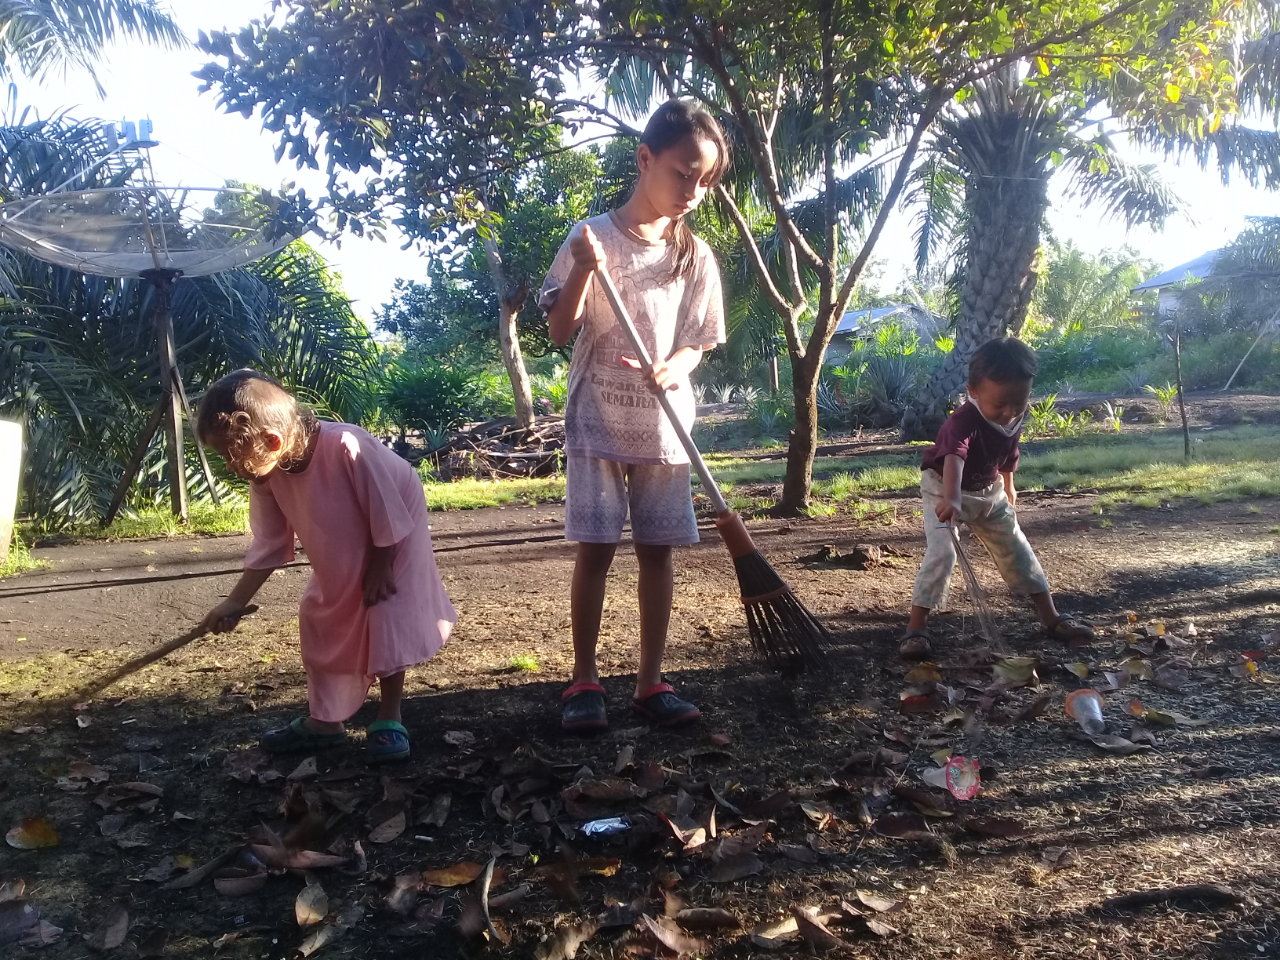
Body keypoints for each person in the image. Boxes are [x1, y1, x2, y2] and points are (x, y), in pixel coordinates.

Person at [540, 99, 729, 733]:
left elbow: (699, 337)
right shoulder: (588, 237)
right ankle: (584, 680)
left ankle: (651, 681)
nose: (694, 193)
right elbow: (561, 331)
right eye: (684, 173)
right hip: (597, 418)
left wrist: (677, 365)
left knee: (656, 552)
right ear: (645, 159)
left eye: (705, 181)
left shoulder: (695, 255)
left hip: (665, 426)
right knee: (595, 550)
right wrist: (583, 274)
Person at [195, 370, 456, 761]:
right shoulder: (266, 470)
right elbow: (270, 543)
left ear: (271, 440)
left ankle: (389, 717)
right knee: (317, 614)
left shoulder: (347, 445)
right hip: (345, 532)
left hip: (395, 530)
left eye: (232, 456)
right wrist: (234, 602)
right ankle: (326, 721)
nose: (232, 468)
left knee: (384, 609)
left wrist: (381, 565)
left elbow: (386, 509)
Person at [900, 338, 1094, 659]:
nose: (1010, 412)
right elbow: (954, 458)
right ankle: (916, 628)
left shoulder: (1014, 414)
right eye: (1000, 404)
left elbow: (1009, 451)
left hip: (989, 490)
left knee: (1017, 548)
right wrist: (953, 498)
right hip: (944, 489)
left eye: (1019, 402)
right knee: (943, 553)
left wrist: (1009, 483)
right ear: (973, 391)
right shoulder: (962, 421)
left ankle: (1051, 617)